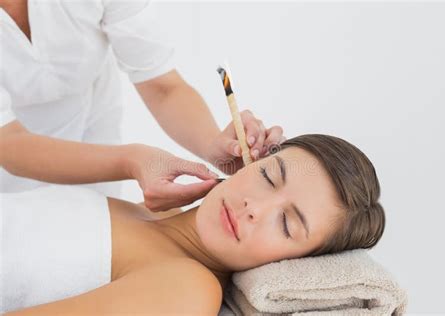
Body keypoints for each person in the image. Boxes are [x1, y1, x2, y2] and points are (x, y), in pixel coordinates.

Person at [1, 134, 386, 315]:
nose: (255, 208)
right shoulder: (156, 212)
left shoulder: (188, 288)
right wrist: (133, 158)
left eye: (287, 224)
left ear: (296, 262)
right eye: (268, 176)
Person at [0, 0, 284, 208]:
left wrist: (215, 147)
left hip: (94, 149)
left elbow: (162, 86)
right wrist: (131, 160)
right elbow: (7, 144)